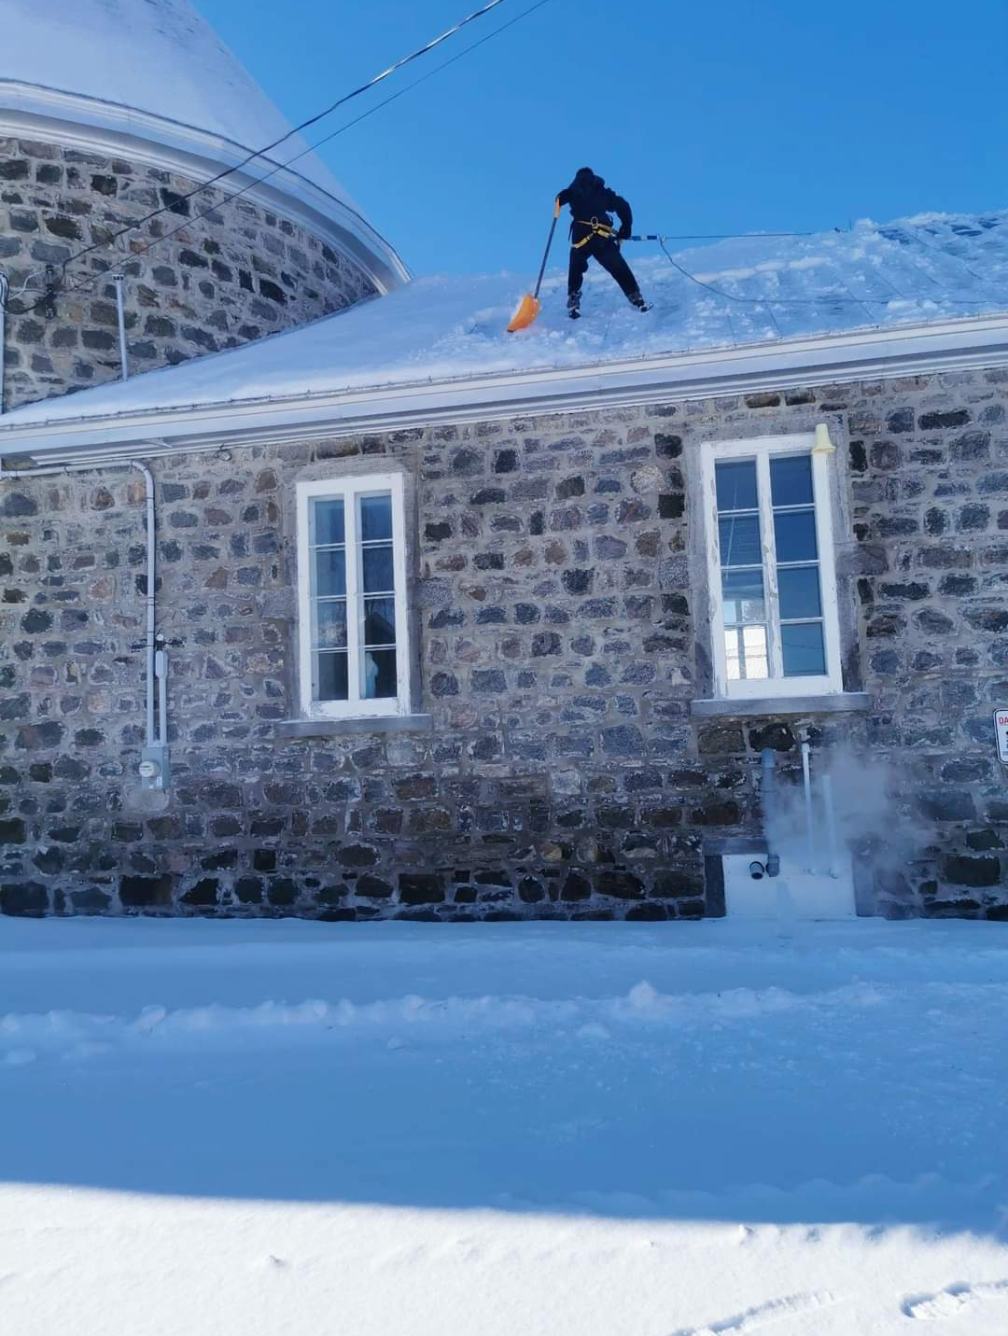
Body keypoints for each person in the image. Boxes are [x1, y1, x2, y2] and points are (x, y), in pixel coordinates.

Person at [556, 167, 651, 319]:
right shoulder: (602, 192)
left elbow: (561, 198)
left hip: (580, 236)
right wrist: (626, 228)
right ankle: (635, 296)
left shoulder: (573, 191)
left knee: (576, 261)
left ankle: (573, 296)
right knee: (617, 265)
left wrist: (559, 200)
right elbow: (623, 205)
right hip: (601, 236)